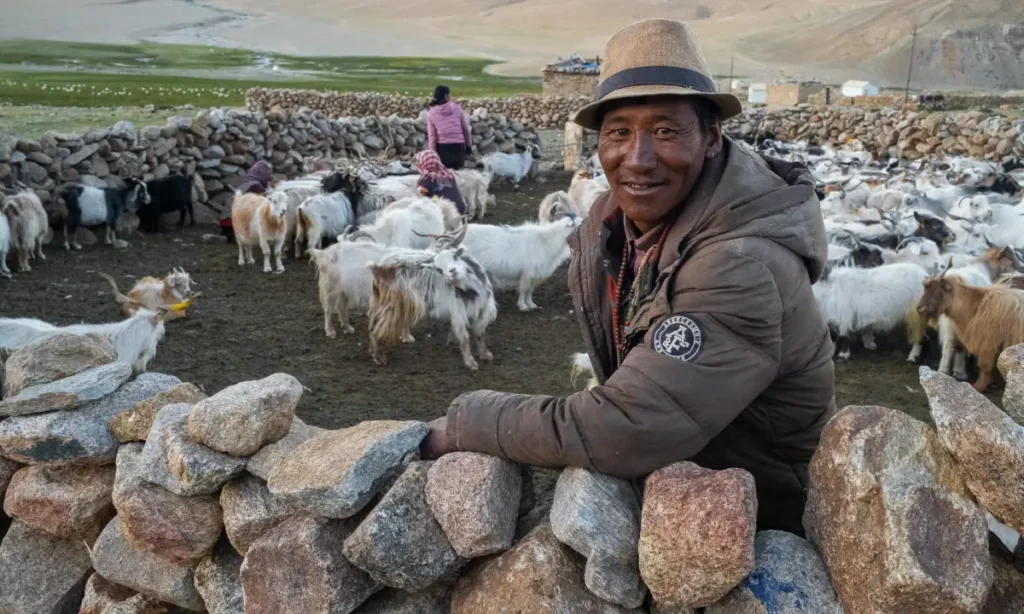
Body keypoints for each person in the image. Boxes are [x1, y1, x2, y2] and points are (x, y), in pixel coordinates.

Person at [419, 18, 836, 535]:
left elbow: (630, 425)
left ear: (710, 136)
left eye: (664, 130)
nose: (637, 159)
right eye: (619, 132)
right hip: (688, 483)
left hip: (755, 519)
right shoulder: (620, 224)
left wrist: (464, 423)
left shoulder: (739, 264)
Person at [426, 85, 473, 170]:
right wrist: (469, 146)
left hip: (443, 149)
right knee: (458, 173)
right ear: (446, 96)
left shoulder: (431, 113)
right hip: (458, 147)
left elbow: (432, 137)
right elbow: (466, 130)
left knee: (445, 175)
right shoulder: (457, 109)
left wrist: (432, 154)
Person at [415, 150, 467, 215]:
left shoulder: (425, 179)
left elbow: (421, 194)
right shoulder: (449, 175)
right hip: (459, 208)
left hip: (444, 211)